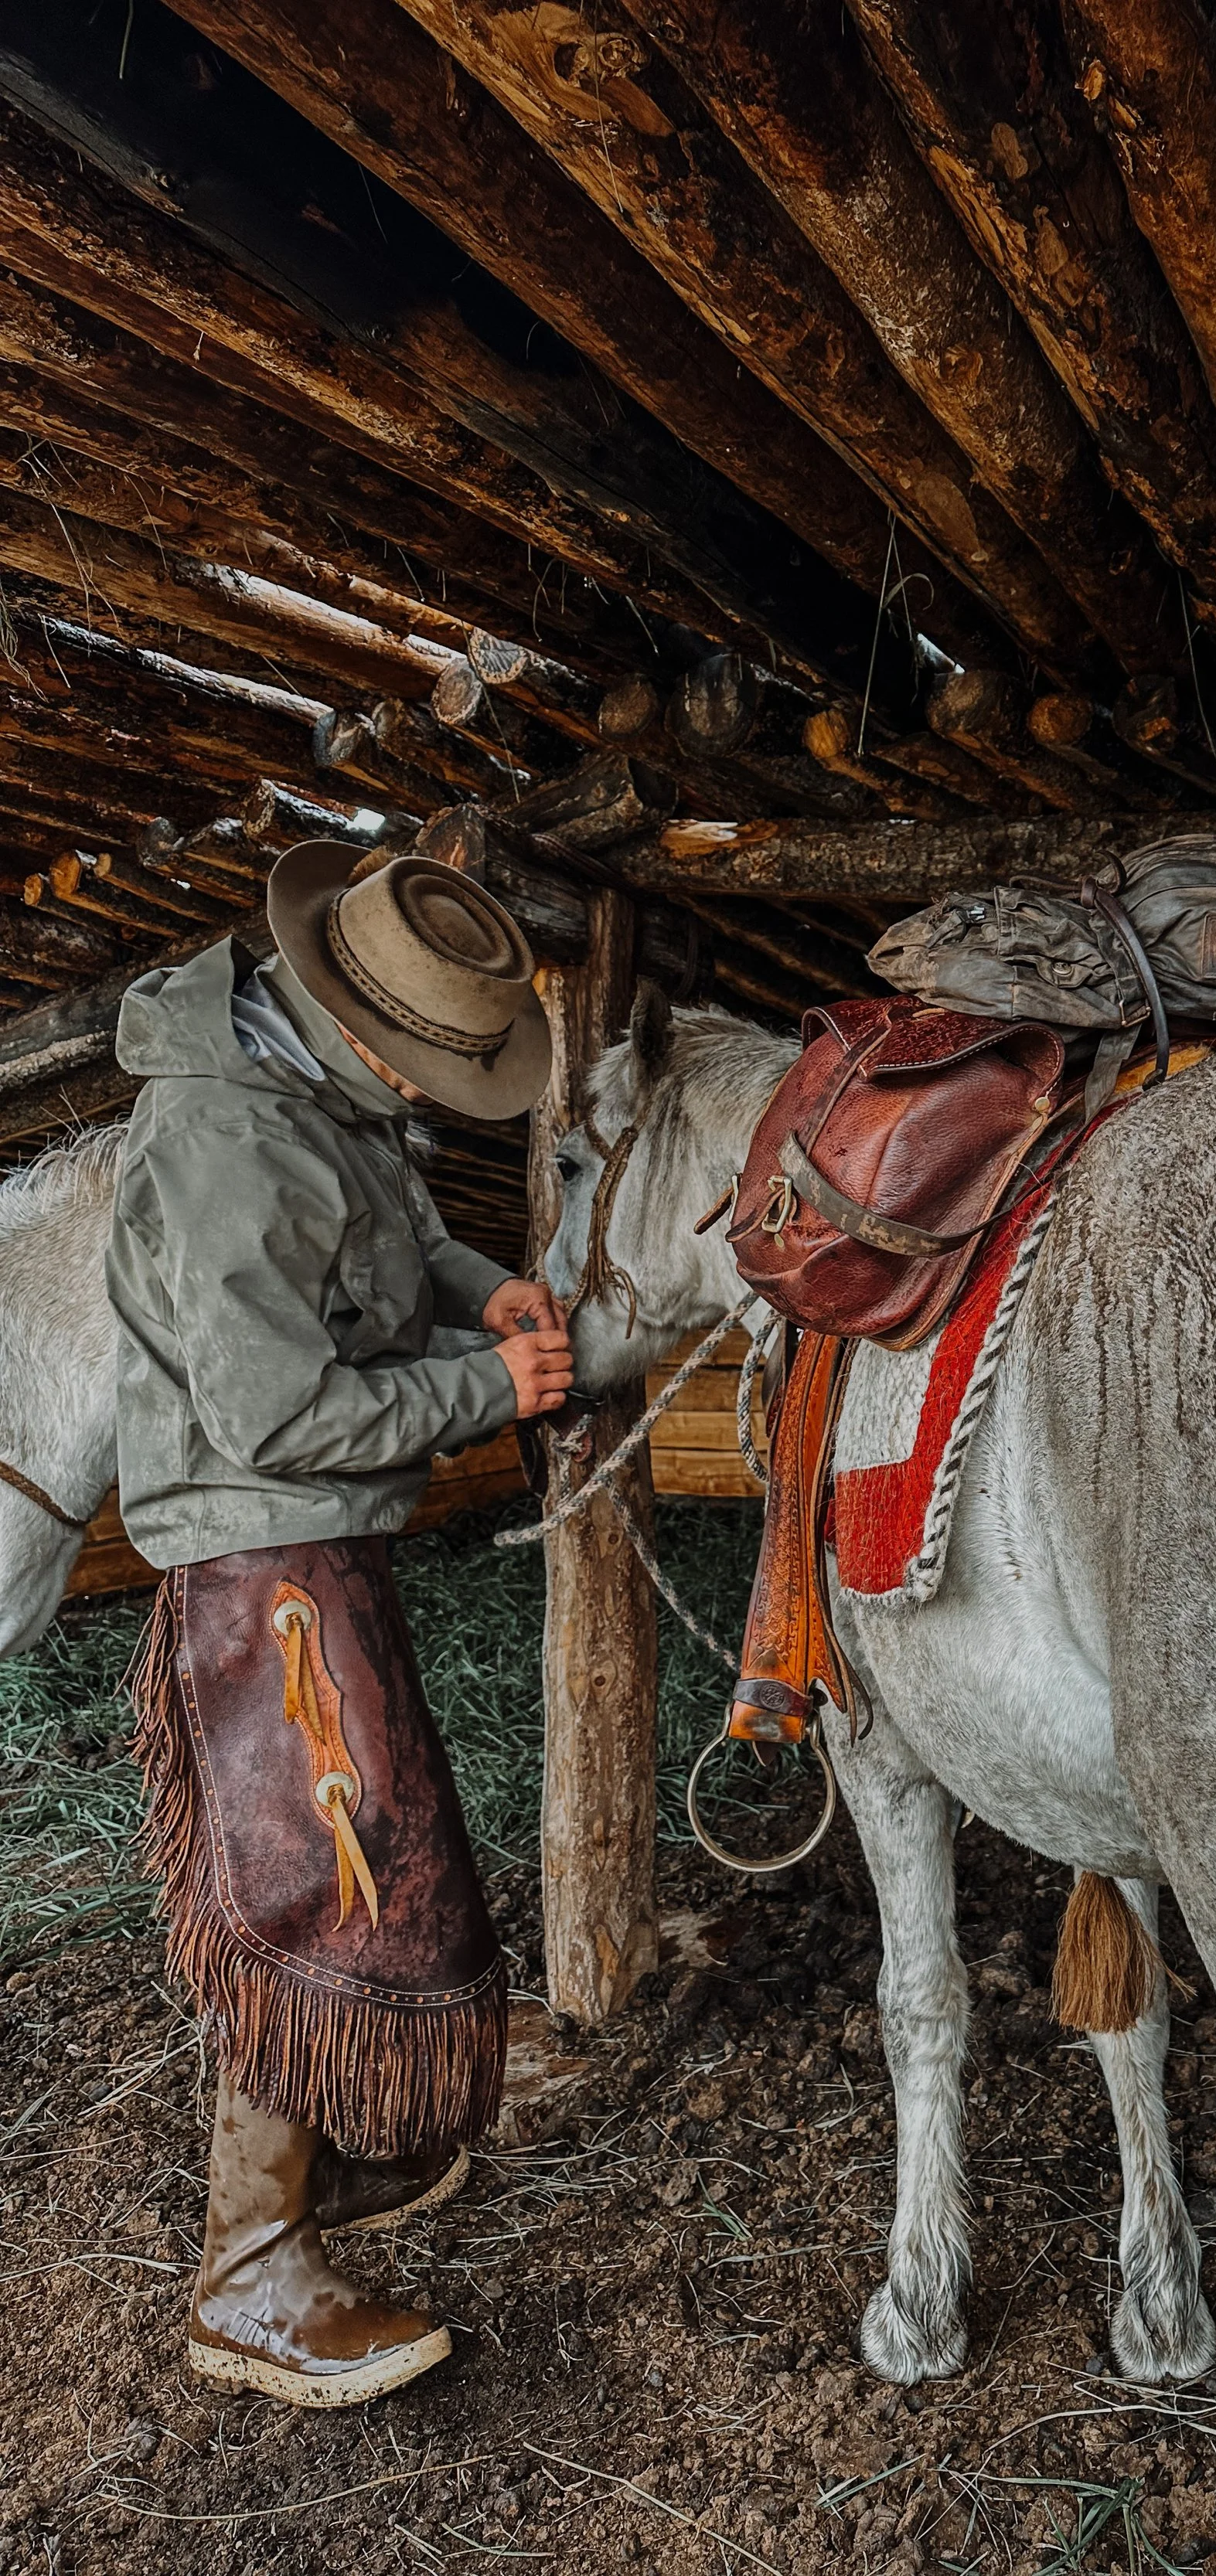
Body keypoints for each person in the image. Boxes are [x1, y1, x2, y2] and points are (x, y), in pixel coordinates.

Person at [104, 843, 574, 2407]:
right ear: (357, 1020)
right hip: (259, 1554)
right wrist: (486, 1389)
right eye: (428, 1064)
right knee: (308, 1889)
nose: (433, 1093)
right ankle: (246, 2278)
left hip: (318, 1539)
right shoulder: (225, 1135)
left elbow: (382, 1234)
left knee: (378, 1856)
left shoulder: (311, 1082)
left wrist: (477, 1288)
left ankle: (326, 2162)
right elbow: (274, 1404)